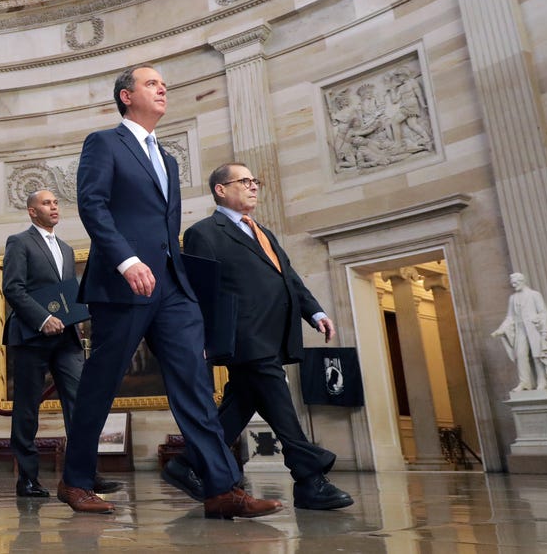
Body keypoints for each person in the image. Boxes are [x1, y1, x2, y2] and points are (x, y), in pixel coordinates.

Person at [59, 64, 280, 518]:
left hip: (172, 285)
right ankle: (76, 481)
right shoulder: (105, 142)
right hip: (123, 282)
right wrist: (125, 259)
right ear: (126, 96)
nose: (163, 88)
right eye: (151, 84)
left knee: (195, 385)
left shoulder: (169, 158)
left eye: (165, 83)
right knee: (100, 385)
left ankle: (221, 488)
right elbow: (92, 204)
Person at [174, 162, 353, 511]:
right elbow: (200, 291)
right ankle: (309, 478)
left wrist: (314, 311)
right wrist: (204, 341)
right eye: (244, 181)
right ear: (221, 190)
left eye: (255, 181)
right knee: (278, 400)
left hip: (273, 332)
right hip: (243, 335)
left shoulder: (264, 232)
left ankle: (188, 464)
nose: (253, 186)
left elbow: (289, 277)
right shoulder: (204, 232)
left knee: (242, 401)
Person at [2, 189, 121, 497]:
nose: (53, 207)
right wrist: (43, 319)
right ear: (31, 211)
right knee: (27, 409)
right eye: (46, 203)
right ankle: (27, 479)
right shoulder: (19, 242)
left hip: (66, 338)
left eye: (55, 203)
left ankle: (84, 474)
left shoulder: (67, 249)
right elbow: (13, 289)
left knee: (82, 402)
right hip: (30, 336)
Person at [491, 272, 547, 392]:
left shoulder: (534, 295)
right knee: (521, 355)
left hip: (533, 328)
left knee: (537, 355)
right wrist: (500, 330)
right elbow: (510, 317)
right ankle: (524, 382)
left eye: (515, 283)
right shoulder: (513, 298)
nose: (514, 285)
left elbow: (543, 312)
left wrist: (545, 331)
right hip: (520, 328)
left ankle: (543, 381)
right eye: (512, 283)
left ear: (522, 281)